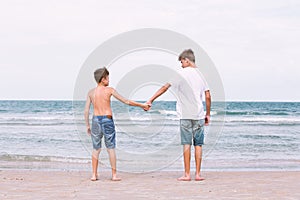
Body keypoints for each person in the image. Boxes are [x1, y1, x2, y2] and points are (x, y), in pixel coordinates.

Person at [147, 49, 211, 181]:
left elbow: (165, 87)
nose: (181, 64)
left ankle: (187, 174)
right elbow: (208, 95)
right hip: (199, 114)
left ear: (187, 60)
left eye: (182, 62)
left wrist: (151, 100)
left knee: (186, 144)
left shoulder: (181, 73)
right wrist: (208, 114)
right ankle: (198, 174)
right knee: (198, 145)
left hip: (185, 115)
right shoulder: (201, 74)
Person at [84, 67, 150, 181]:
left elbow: (86, 110)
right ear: (103, 79)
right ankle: (114, 175)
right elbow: (126, 101)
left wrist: (87, 125)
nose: (109, 80)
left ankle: (94, 175)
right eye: (108, 77)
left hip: (95, 120)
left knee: (96, 148)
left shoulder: (91, 92)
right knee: (111, 148)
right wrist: (142, 105)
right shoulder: (109, 90)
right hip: (107, 119)